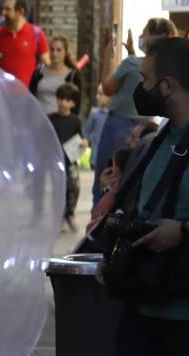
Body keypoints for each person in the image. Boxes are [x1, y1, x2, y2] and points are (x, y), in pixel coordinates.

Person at [79, 36, 189, 356]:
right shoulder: (162, 138)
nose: (139, 88)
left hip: (184, 302)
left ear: (168, 84)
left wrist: (182, 232)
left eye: (144, 79)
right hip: (149, 297)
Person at [96, 17, 177, 192]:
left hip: (119, 125)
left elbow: (108, 89)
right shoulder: (168, 68)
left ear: (153, 38)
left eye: (145, 33)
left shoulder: (132, 63)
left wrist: (107, 57)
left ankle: (100, 215)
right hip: (146, 129)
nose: (141, 36)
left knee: (107, 176)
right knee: (132, 181)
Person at [0, 0, 47, 87]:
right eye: (3, 9)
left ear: (20, 12)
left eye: (8, 9)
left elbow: (47, 62)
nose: (3, 13)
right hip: (4, 96)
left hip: (28, 96)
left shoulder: (36, 33)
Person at [48, 83, 84, 232]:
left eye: (68, 100)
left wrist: (84, 142)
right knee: (58, 190)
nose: (63, 103)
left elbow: (80, 137)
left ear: (73, 103)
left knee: (74, 187)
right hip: (54, 161)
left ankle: (70, 213)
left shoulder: (76, 120)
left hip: (71, 160)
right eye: (61, 98)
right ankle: (60, 217)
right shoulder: (50, 119)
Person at [30, 33, 82, 115]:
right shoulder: (39, 73)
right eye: (52, 50)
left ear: (65, 52)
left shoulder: (72, 77)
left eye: (59, 50)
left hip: (61, 123)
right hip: (40, 120)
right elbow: (31, 97)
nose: (55, 54)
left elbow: (76, 106)